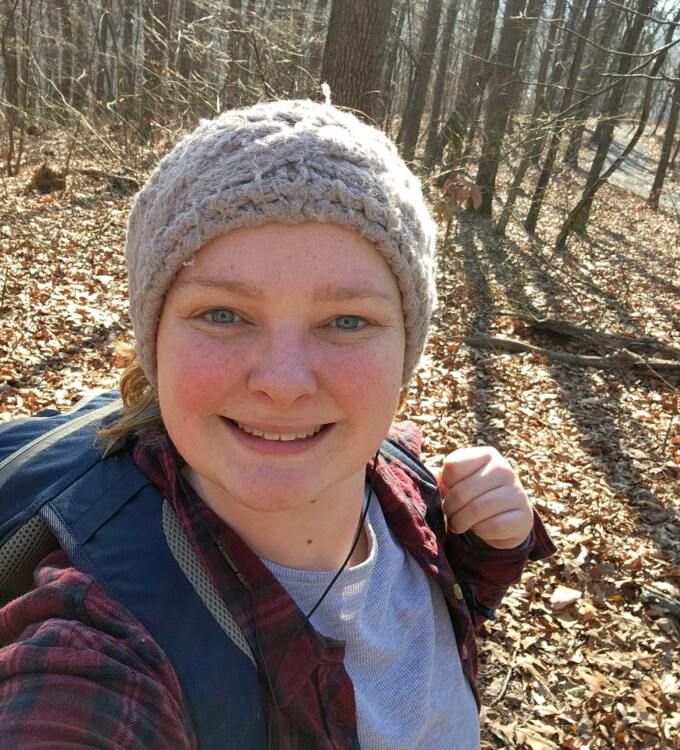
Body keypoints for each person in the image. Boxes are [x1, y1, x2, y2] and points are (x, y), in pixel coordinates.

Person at [0, 99, 555, 749]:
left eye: (347, 321)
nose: (284, 382)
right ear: (155, 344)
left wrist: (492, 546)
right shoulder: (98, 641)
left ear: (405, 353)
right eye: (223, 314)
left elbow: (434, 605)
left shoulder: (402, 479)